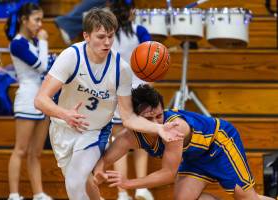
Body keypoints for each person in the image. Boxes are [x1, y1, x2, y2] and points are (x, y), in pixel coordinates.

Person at [34, 8, 182, 200]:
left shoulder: (121, 69)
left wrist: (158, 128)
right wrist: (65, 114)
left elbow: (128, 118)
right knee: (84, 183)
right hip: (63, 128)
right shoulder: (71, 56)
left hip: (94, 132)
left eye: (110, 36)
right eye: (101, 37)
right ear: (86, 36)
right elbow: (40, 99)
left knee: (74, 182)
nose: (107, 42)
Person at [94, 84, 275, 200]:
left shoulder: (175, 127)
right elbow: (104, 160)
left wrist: (129, 183)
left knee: (248, 198)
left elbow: (167, 174)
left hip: (219, 145)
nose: (157, 123)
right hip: (194, 158)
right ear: (135, 119)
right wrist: (98, 174)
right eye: (149, 119)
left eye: (159, 115)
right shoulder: (129, 136)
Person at [4, 2, 52, 200]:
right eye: (36, 20)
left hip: (42, 100)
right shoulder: (17, 43)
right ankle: (14, 194)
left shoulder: (31, 43)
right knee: (20, 150)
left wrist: (40, 43)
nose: (40, 25)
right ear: (24, 20)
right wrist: (43, 42)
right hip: (26, 100)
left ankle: (38, 193)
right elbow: (42, 66)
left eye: (41, 20)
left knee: (36, 153)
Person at [110, 1, 153, 200]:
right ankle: (141, 188)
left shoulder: (107, 34)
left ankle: (121, 193)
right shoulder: (140, 31)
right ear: (132, 11)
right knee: (141, 141)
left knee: (118, 143)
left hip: (115, 92)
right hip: (139, 91)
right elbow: (152, 58)